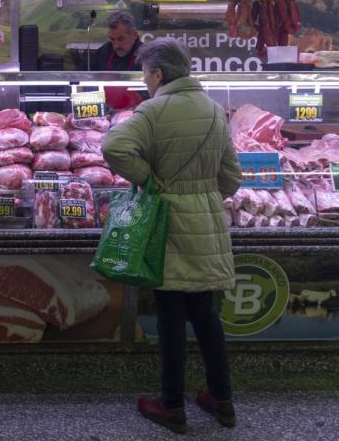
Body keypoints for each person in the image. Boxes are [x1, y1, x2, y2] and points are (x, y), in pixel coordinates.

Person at [101, 38, 242, 435]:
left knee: (170, 317)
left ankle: (171, 405)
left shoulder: (154, 108)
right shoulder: (214, 110)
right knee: (206, 316)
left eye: (145, 73)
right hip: (207, 223)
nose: (145, 81)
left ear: (158, 73)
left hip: (167, 222)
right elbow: (232, 176)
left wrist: (150, 180)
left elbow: (113, 145)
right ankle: (222, 399)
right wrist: (204, 198)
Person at [89, 10, 145, 110]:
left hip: (138, 113)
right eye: (112, 39)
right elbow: (86, 79)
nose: (116, 45)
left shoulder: (148, 56)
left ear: (134, 35)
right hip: (106, 113)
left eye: (121, 39)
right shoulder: (103, 52)